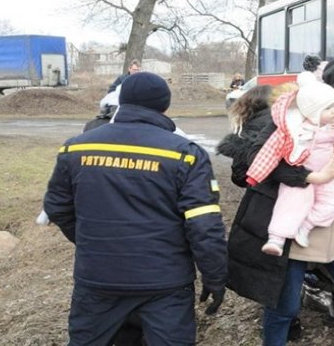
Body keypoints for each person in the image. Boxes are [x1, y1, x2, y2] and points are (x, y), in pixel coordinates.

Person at [43, 72, 227, 345]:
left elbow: (57, 207)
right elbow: (203, 224)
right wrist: (215, 275)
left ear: (122, 101)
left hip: (98, 279)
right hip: (165, 284)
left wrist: (91, 241)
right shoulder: (185, 153)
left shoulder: (76, 148)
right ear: (164, 106)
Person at [221, 55, 334, 346]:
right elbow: (252, 164)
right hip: (292, 231)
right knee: (283, 308)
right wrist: (308, 177)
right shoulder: (290, 116)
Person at [244, 81, 334, 256]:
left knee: (333, 203)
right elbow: (263, 155)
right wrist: (312, 177)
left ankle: (304, 227)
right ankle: (276, 238)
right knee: (292, 204)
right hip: (302, 179)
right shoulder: (290, 125)